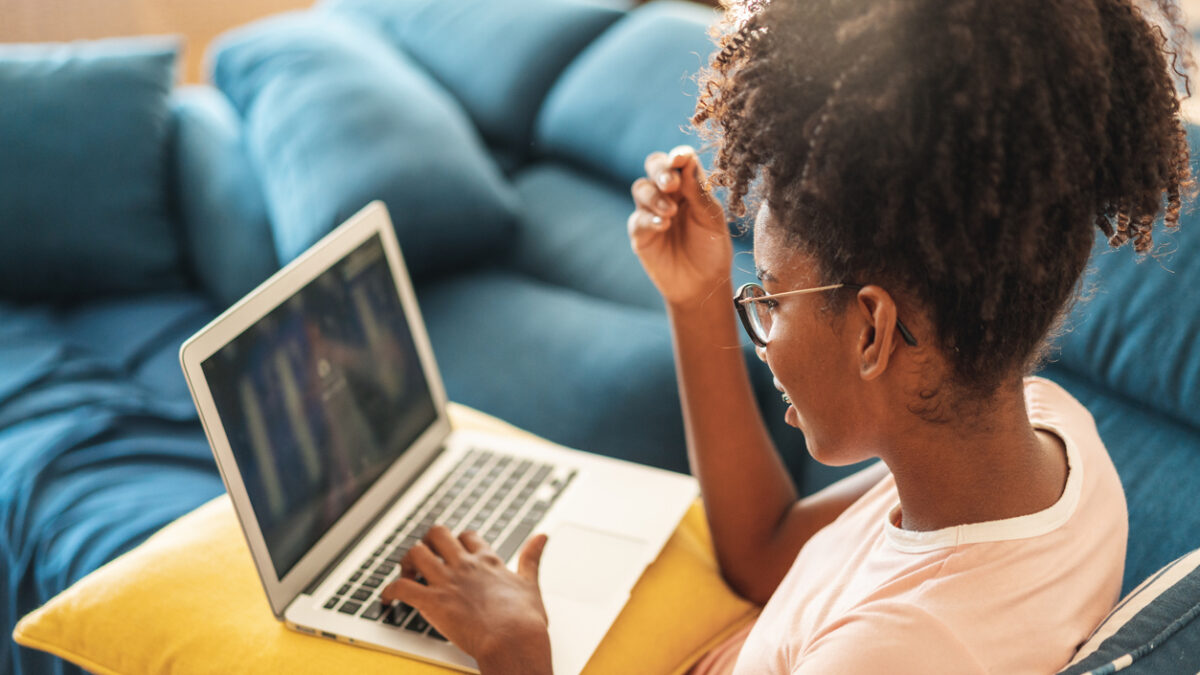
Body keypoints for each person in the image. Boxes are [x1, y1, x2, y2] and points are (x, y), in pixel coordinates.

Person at [380, 0, 1193, 672]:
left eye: (768, 296)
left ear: (872, 329)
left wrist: (519, 651)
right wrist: (699, 297)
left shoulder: (899, 650)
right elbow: (763, 552)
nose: (760, 327)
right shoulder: (1052, 435)